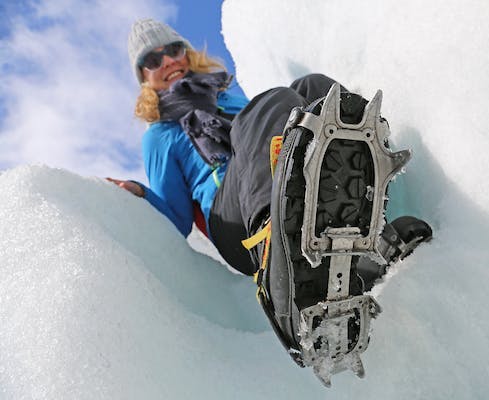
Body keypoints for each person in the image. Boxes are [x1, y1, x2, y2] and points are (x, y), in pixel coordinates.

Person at [111, 18, 432, 379]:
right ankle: (277, 252)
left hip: (281, 184)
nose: (168, 61)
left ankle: (363, 223)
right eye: (153, 60)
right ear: (143, 78)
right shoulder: (161, 135)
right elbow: (176, 217)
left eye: (173, 49)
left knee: (314, 90)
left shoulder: (226, 96)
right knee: (272, 102)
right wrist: (140, 195)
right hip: (237, 222)